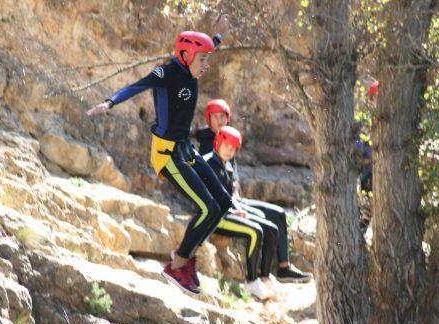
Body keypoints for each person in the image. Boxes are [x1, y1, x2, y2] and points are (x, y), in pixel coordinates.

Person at [87, 16, 231, 296]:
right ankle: (177, 265)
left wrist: (218, 38)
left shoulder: (191, 67)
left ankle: (186, 258)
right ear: (187, 55)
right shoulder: (167, 74)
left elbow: (205, 47)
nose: (206, 66)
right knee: (207, 207)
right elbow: (136, 86)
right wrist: (109, 103)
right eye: (202, 60)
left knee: (222, 203)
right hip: (167, 156)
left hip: (186, 150)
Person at [198, 99, 313, 283]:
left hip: (234, 197)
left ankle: (284, 267)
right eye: (215, 116)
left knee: (278, 213)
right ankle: (261, 271)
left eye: (223, 116)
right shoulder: (207, 144)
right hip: (225, 203)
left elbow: (231, 175)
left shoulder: (230, 137)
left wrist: (234, 188)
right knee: (261, 217)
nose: (219, 120)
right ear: (208, 118)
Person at [205, 126, 278, 299]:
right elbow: (212, 196)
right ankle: (251, 282)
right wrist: (233, 211)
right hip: (215, 217)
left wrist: (238, 210)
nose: (229, 151)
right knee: (255, 231)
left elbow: (229, 196)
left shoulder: (226, 165)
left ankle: (264, 276)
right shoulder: (209, 163)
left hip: (227, 212)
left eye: (233, 148)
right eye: (226, 146)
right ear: (218, 143)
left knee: (271, 229)